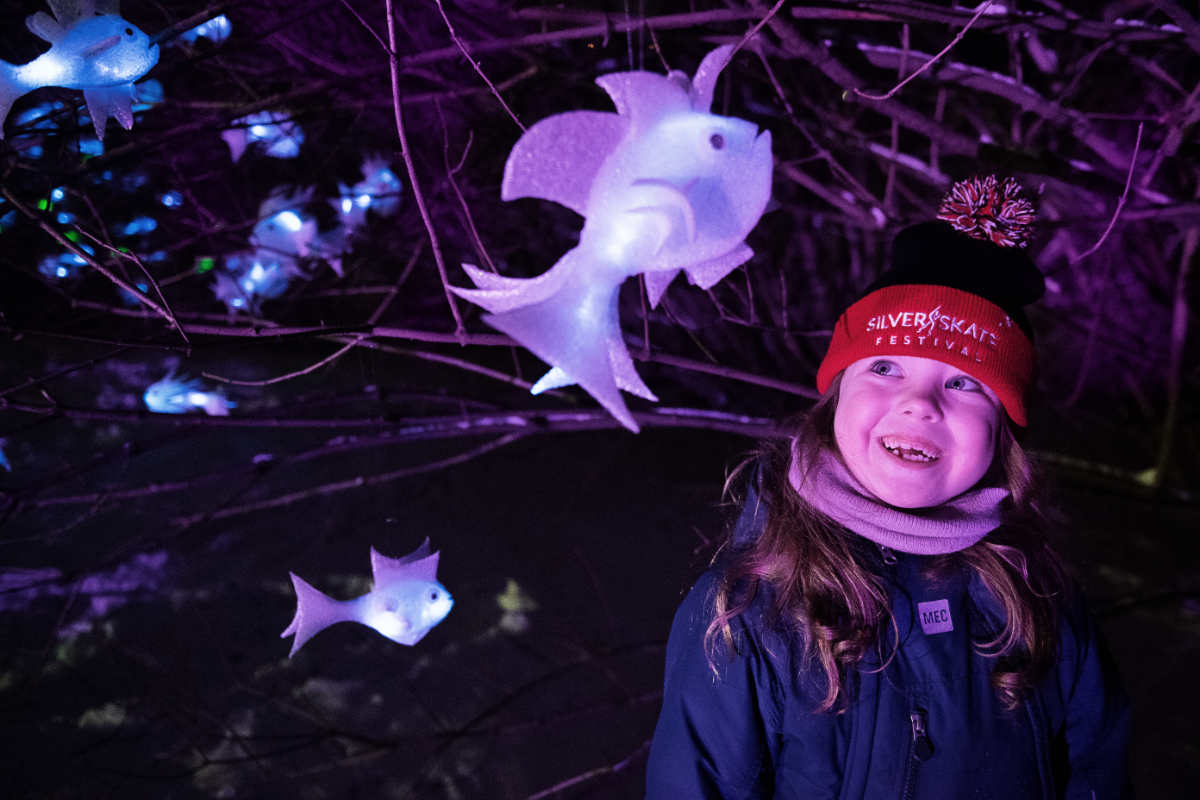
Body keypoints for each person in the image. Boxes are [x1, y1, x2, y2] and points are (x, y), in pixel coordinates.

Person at [644, 176, 1133, 800]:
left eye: (965, 384)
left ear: (1002, 434)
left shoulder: (1038, 595)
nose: (919, 403)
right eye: (884, 367)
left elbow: (1099, 771)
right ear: (835, 396)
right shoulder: (747, 613)